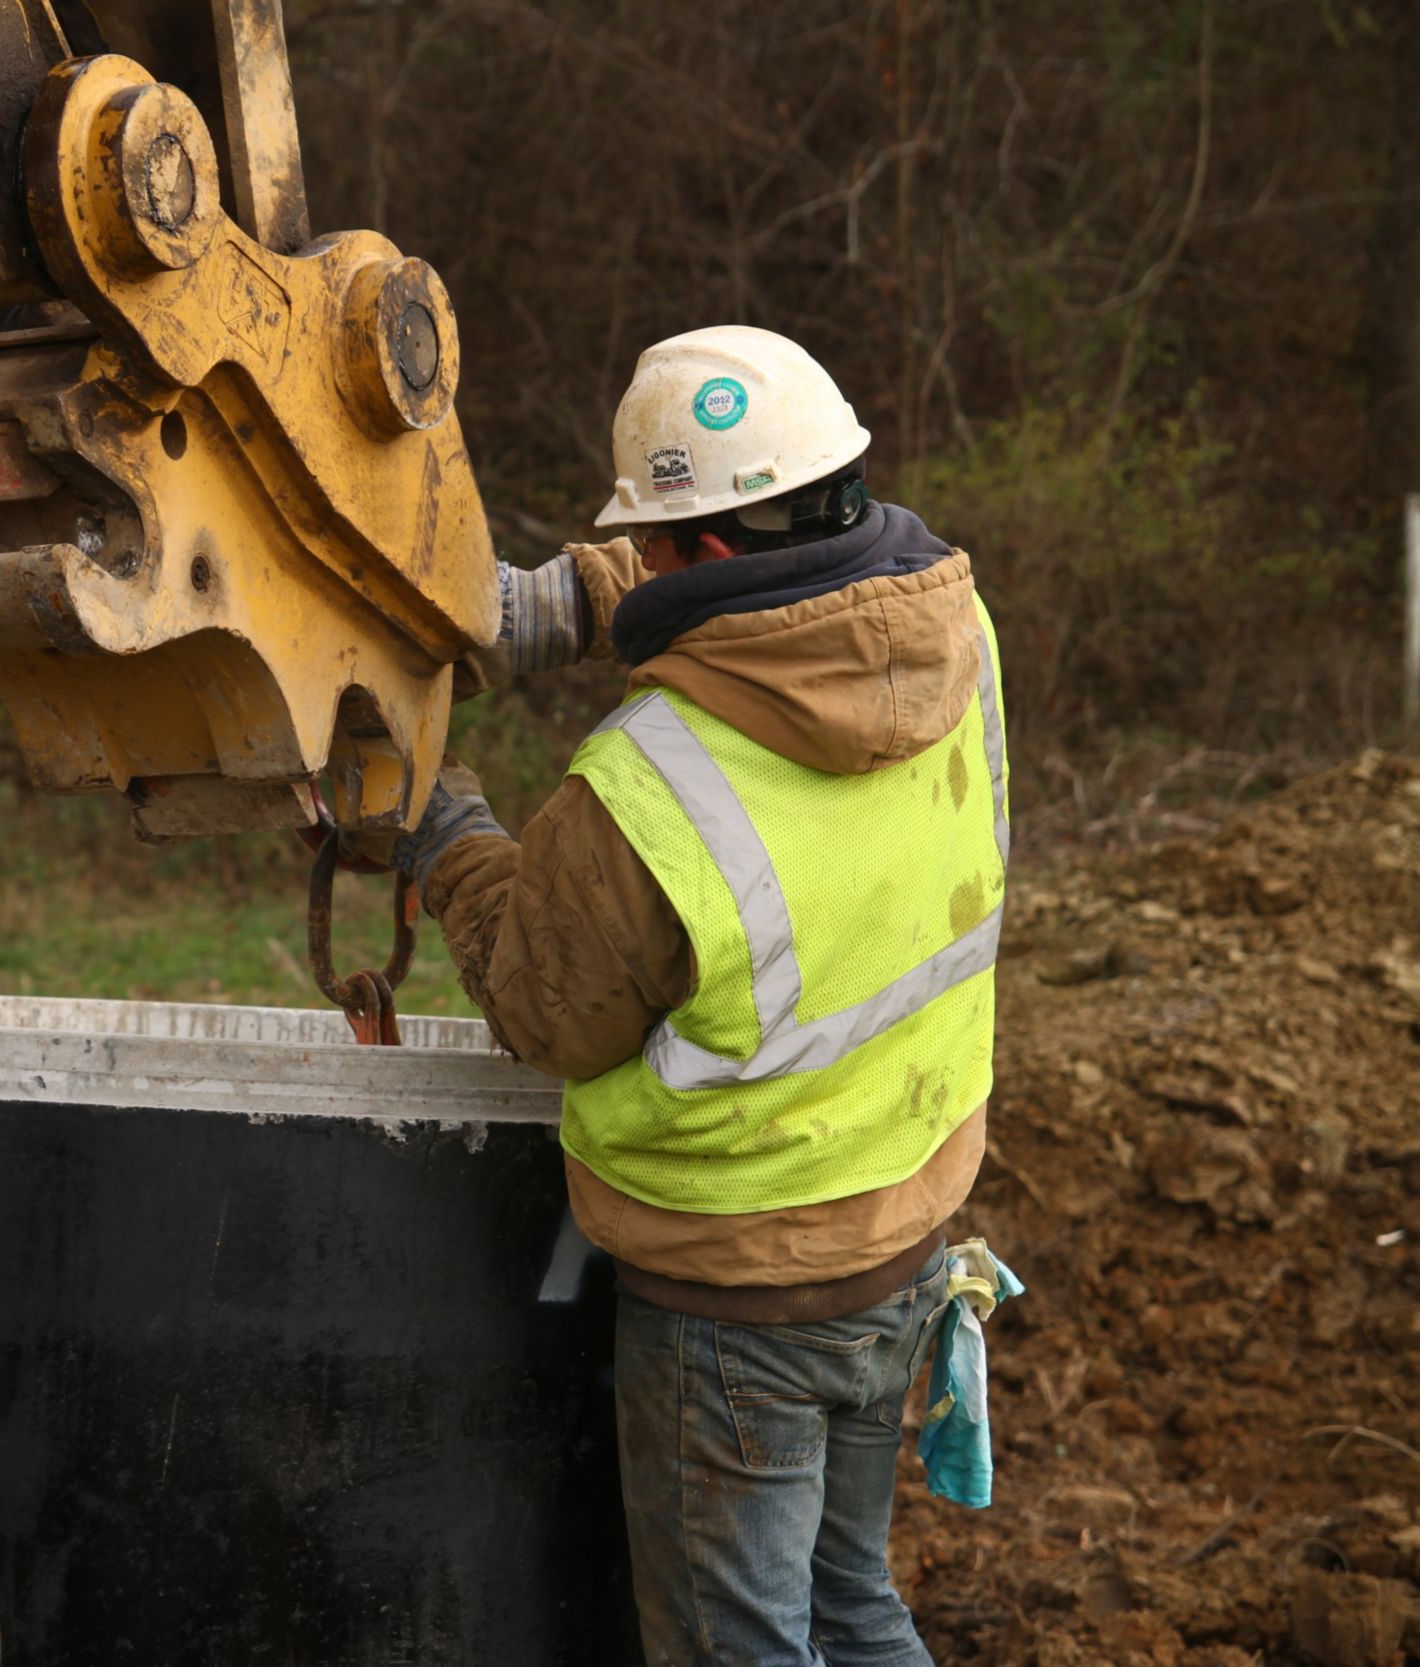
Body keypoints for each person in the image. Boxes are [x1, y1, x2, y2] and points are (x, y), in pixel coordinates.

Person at [394, 325, 1005, 1666]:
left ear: (712, 559)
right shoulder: (951, 643)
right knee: (854, 1608)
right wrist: (558, 603)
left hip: (743, 1300)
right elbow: (766, 595)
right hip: (903, 1228)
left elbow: (547, 1008)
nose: (647, 568)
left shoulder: (655, 787)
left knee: (742, 1649)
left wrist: (445, 835)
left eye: (656, 549)